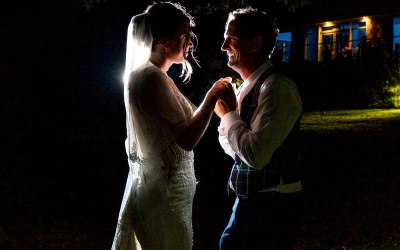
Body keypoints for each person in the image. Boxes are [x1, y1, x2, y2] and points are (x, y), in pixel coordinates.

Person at [111, 2, 233, 250]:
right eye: (185, 35)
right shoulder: (150, 77)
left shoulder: (151, 75)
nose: (190, 42)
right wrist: (212, 95)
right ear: (164, 41)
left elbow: (179, 125)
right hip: (163, 196)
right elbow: (186, 138)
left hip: (166, 190)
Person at [215, 7, 304, 250]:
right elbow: (232, 149)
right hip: (246, 201)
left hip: (273, 206)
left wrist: (229, 115)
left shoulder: (277, 89)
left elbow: (255, 155)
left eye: (231, 38)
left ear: (255, 43)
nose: (223, 46)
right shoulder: (246, 87)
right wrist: (232, 121)